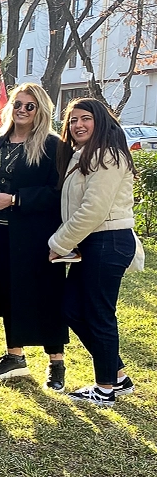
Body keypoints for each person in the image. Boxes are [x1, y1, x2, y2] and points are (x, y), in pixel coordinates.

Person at [0, 84, 69, 389]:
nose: (22, 110)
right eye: (18, 104)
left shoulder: (53, 145)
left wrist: (15, 199)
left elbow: (58, 193)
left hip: (35, 235)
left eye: (30, 106)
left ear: (41, 110)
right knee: (6, 293)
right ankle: (14, 356)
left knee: (45, 296)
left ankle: (56, 362)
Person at [49, 99, 139, 406]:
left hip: (108, 241)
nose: (77, 125)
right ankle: (117, 376)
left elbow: (93, 210)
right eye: (73, 121)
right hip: (93, 243)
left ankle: (104, 390)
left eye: (85, 119)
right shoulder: (84, 155)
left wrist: (58, 243)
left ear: (100, 121)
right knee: (71, 308)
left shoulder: (108, 156)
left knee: (99, 314)